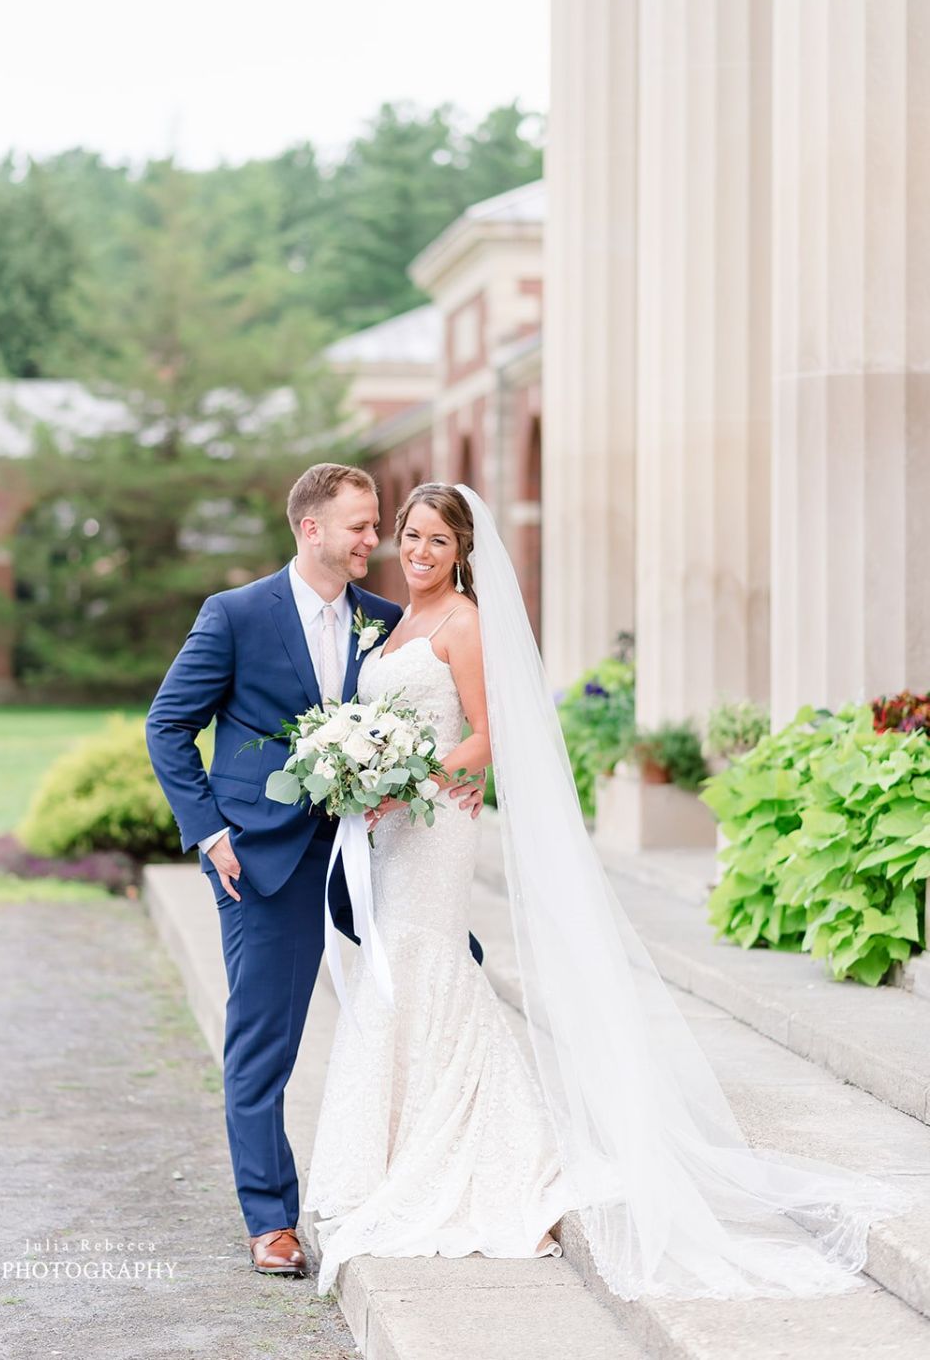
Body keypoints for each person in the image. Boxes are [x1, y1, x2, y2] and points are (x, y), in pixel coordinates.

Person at [305, 481, 910, 1302]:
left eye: (436, 542)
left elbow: (490, 735)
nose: (417, 552)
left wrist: (405, 778)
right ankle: (393, 1145)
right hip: (390, 831)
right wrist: (361, 772)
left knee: (425, 963)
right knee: (395, 967)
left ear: (461, 553)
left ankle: (468, 1150)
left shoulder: (464, 625)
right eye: (408, 536)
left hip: (434, 825)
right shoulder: (392, 623)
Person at [145, 464, 485, 1280]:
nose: (379, 541)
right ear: (312, 530)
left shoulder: (385, 620)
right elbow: (168, 726)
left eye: (380, 527)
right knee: (265, 1041)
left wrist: (444, 781)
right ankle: (270, 1220)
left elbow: (429, 722)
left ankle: (431, 1168)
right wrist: (212, 835)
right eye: (364, 527)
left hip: (381, 856)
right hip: (262, 862)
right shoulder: (234, 616)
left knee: (440, 982)